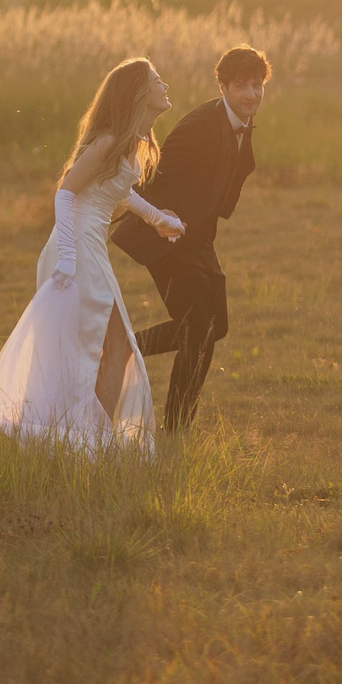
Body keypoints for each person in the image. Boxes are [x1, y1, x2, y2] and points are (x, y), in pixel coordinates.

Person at [0, 58, 185, 454]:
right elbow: (66, 191)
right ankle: (91, 445)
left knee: (109, 349)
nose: (166, 86)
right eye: (158, 80)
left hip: (89, 249)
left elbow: (119, 193)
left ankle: (89, 443)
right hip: (76, 250)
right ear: (139, 93)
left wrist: (161, 220)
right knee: (107, 348)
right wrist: (69, 258)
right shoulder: (108, 141)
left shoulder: (131, 145)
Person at [112, 45, 266, 433]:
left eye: (257, 85)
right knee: (199, 326)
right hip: (163, 235)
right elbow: (157, 175)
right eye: (241, 85)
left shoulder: (240, 123)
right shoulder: (200, 125)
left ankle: (124, 348)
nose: (251, 94)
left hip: (196, 237)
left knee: (215, 327)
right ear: (223, 86)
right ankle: (176, 429)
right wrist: (163, 220)